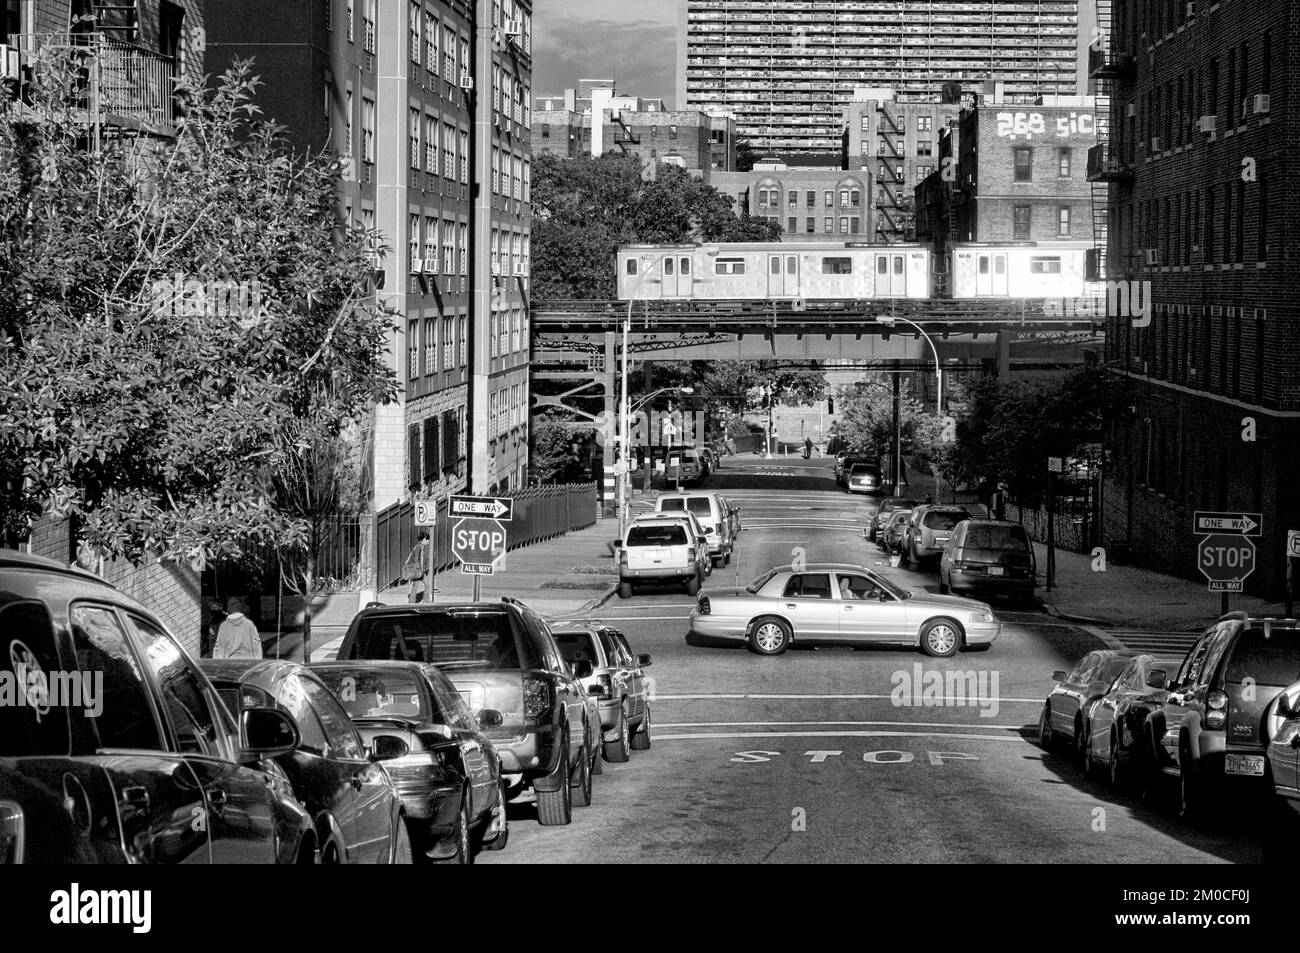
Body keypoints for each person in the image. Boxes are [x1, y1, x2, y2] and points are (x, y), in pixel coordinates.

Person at [406, 532, 431, 603]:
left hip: (421, 571)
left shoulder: (423, 547)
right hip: (418, 571)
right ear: (423, 539)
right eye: (427, 540)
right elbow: (416, 559)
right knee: (416, 587)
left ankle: (425, 601)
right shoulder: (418, 547)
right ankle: (411, 602)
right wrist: (419, 570)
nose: (428, 541)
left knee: (426, 585)